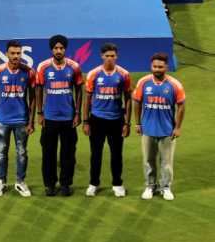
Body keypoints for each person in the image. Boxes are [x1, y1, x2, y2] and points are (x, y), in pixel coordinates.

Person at [133, 52, 186, 201]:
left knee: (166, 162)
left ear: (166, 67)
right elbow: (136, 102)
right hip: (147, 130)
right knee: (148, 160)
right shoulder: (143, 83)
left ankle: (166, 187)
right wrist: (137, 123)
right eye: (155, 66)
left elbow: (181, 106)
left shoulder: (174, 85)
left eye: (160, 67)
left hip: (167, 130)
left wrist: (178, 127)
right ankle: (150, 186)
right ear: (151, 66)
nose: (157, 69)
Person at [35, 35, 83, 196]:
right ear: (51, 49)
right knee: (48, 153)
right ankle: (49, 184)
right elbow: (39, 89)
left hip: (68, 118)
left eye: (61, 48)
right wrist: (40, 113)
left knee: (68, 154)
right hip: (49, 118)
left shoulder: (74, 67)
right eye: (56, 48)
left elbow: (78, 90)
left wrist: (77, 113)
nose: (58, 51)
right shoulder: (43, 67)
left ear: (65, 49)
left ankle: (65, 184)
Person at [83, 43, 132, 197]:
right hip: (97, 120)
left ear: (116, 56)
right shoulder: (94, 74)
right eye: (107, 56)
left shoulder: (124, 74)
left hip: (116, 120)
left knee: (116, 154)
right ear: (102, 56)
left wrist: (127, 123)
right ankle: (93, 183)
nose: (110, 59)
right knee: (95, 154)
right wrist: (85, 121)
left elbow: (128, 99)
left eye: (113, 56)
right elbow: (88, 99)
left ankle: (117, 184)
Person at [0, 40, 35, 197]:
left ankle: (20, 182)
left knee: (22, 152)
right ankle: (1, 181)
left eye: (18, 53)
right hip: (2, 120)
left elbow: (33, 98)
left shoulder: (28, 72)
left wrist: (31, 121)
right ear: (7, 54)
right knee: (2, 152)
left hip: (21, 120)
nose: (16, 56)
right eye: (13, 53)